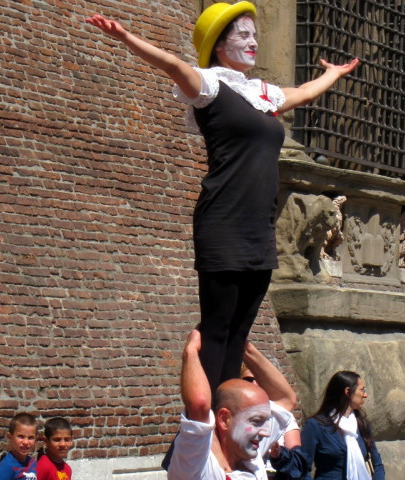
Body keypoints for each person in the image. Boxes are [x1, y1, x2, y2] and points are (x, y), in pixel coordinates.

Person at [86, 2, 359, 394]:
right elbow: (171, 65)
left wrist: (331, 74)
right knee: (216, 330)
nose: (252, 43)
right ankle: (203, 427)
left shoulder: (260, 94)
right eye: (242, 36)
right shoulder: (209, 86)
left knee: (240, 333)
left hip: (259, 227)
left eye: (255, 36)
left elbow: (301, 94)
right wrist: (127, 37)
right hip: (223, 221)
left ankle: (227, 418)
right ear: (218, 46)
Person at [167, 328, 300, 480]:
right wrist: (191, 352)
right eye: (257, 421)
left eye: (265, 421)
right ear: (224, 419)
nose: (266, 433)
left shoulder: (250, 456)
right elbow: (199, 405)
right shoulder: (197, 467)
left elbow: (286, 399)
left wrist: (243, 346)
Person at [301, 370, 385, 480]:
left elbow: (377, 464)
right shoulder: (315, 426)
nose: (365, 395)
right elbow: (302, 469)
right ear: (348, 392)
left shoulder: (361, 424)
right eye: (362, 390)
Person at [0, 412, 38, 480]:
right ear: (9, 437)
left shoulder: (32, 463)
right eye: (21, 436)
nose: (25, 442)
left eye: (30, 437)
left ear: (36, 439)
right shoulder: (7, 467)